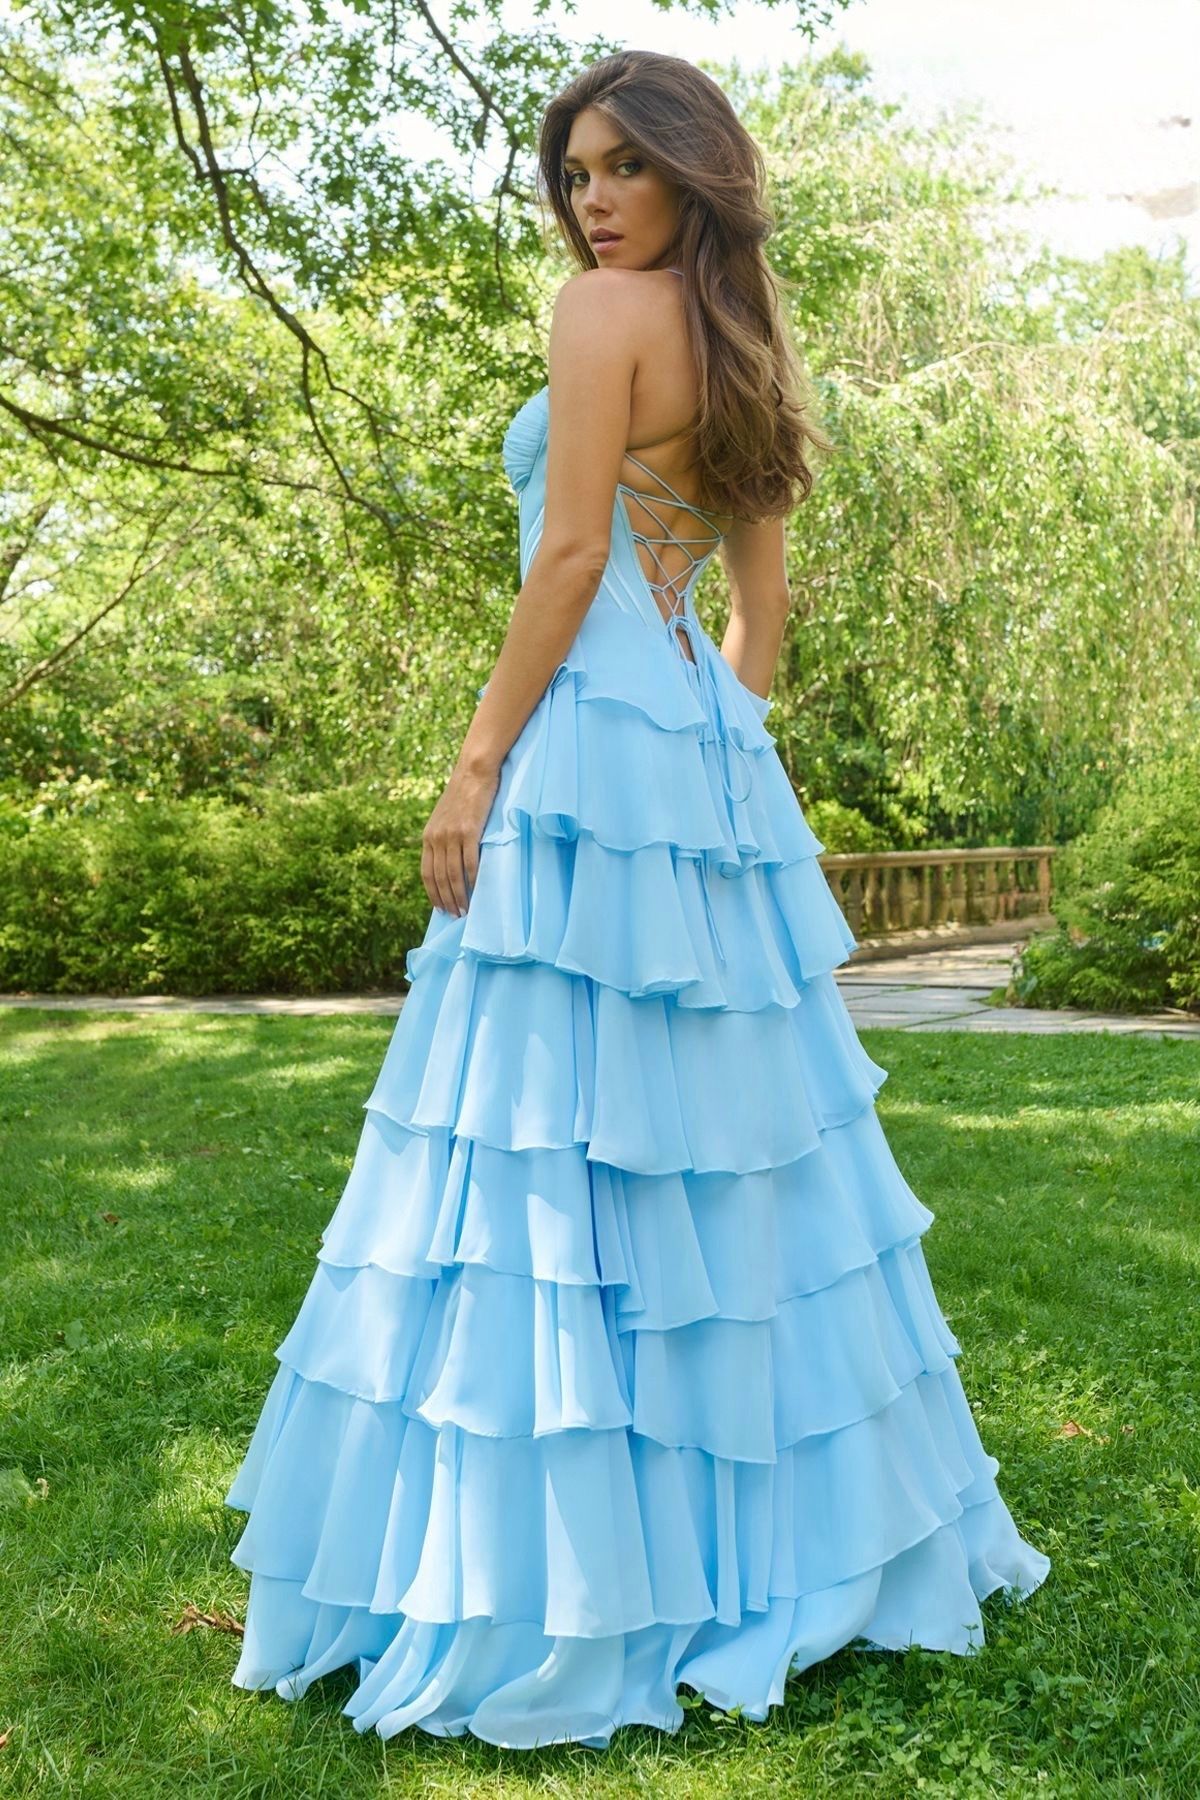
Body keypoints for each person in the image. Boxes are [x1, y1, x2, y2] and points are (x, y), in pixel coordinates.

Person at [223, 48, 1050, 1749]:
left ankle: (572, 1552)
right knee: (721, 1141)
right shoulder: (748, 343)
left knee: (540, 1124)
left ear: (691, 175)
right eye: (576, 171)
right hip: (689, 750)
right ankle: (751, 1533)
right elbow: (763, 617)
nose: (592, 199)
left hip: (590, 741)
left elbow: (574, 555)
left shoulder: (598, 318)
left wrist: (473, 771)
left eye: (623, 168)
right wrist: (718, 767)